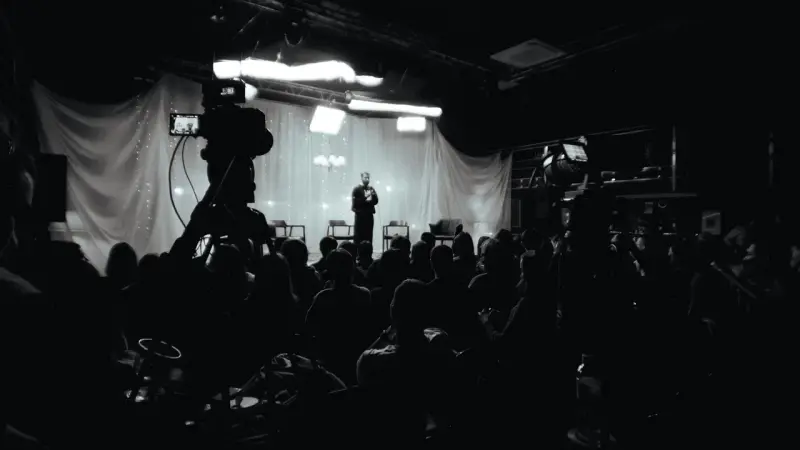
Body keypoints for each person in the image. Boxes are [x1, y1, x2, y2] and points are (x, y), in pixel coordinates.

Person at [351, 172, 378, 244]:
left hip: (369, 215)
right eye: (365, 178)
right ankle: (357, 254)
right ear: (361, 178)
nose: (367, 179)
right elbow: (355, 203)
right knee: (359, 236)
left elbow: (376, 201)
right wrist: (366, 196)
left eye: (368, 178)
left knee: (369, 235)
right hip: (360, 216)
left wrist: (373, 195)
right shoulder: (356, 189)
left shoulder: (371, 188)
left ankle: (368, 252)